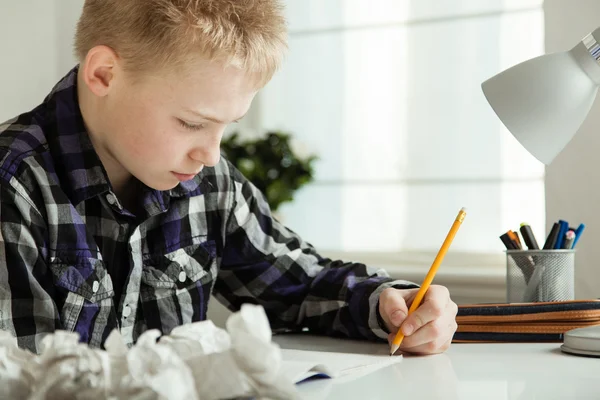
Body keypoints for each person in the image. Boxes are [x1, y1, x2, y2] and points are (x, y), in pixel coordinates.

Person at [0, 0, 457, 355]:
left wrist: (390, 304)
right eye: (192, 123)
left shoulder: (207, 181)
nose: (211, 153)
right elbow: (25, 380)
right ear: (105, 73)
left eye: (227, 126)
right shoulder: (14, 184)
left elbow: (299, 283)